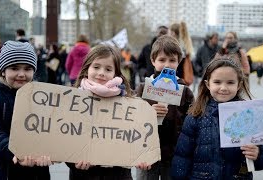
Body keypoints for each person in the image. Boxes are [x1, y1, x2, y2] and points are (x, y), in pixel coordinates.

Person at [171, 59, 263, 179]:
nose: (223, 88)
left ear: (239, 84)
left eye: (230, 82)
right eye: (217, 82)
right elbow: (183, 156)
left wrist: (258, 153)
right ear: (208, 84)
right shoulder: (196, 115)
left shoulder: (250, 115)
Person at [66, 44, 150, 180]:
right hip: (83, 175)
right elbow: (64, 140)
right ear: (87, 68)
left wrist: (142, 155)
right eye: (96, 67)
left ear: (115, 73)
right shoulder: (73, 101)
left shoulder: (127, 103)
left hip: (118, 175)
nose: (101, 73)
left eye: (108, 69)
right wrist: (73, 161)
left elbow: (136, 136)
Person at [0, 41, 52, 180]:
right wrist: (16, 152)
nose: (21, 74)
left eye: (27, 69)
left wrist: (50, 152)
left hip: (34, 170)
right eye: (14, 68)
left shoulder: (42, 97)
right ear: (2, 70)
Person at [136, 35, 195, 180]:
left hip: (174, 152)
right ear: (153, 61)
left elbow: (192, 120)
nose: (167, 65)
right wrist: (149, 112)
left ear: (179, 62)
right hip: (147, 153)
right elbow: (133, 119)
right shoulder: (143, 88)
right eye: (162, 60)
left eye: (172, 60)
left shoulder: (185, 91)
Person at [169, 21, 194, 86]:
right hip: (182, 77)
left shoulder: (175, 45)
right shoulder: (184, 44)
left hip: (176, 76)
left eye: (170, 32)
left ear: (173, 33)